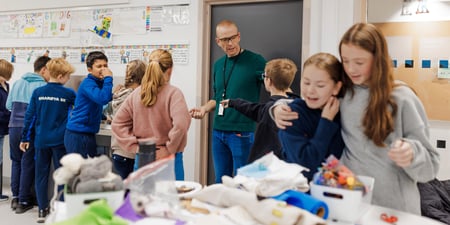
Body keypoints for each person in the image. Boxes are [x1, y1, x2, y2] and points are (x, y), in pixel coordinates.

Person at [272, 23, 439, 214]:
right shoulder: (344, 93)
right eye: (345, 61)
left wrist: (412, 153)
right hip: (349, 204)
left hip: (393, 208)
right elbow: (310, 100)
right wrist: (277, 108)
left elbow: (431, 167)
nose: (351, 69)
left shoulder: (402, 98)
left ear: (378, 59)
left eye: (359, 62)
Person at [189, 20, 266, 183]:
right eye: (224, 40)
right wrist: (204, 108)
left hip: (242, 132)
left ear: (238, 37)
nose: (229, 43)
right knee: (221, 180)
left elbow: (273, 84)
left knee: (243, 182)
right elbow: (217, 98)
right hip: (218, 132)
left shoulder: (256, 61)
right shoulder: (218, 65)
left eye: (232, 38)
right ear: (218, 41)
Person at [112, 49, 191, 180]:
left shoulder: (136, 94)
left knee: (143, 198)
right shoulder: (174, 94)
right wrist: (169, 148)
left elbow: (117, 124)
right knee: (170, 199)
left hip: (143, 156)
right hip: (169, 157)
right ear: (170, 70)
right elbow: (181, 125)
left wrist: (136, 147)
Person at [19, 58, 76, 223]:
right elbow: (80, 109)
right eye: (67, 76)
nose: (67, 80)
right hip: (60, 141)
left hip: (40, 140)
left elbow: (30, 116)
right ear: (60, 76)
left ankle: (42, 210)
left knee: (41, 175)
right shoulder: (69, 93)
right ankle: (60, 209)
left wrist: (25, 138)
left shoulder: (38, 93)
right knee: (61, 175)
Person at [277, 53, 345, 181]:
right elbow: (305, 166)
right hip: (299, 195)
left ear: (336, 87)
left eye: (320, 85)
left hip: (335, 192)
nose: (310, 90)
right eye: (306, 82)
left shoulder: (343, 112)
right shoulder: (291, 114)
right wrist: (326, 122)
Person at [220, 58, 297, 163]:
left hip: (271, 166)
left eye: (264, 76)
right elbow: (255, 110)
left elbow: (263, 146)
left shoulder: (271, 109)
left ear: (268, 81)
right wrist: (233, 102)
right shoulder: (294, 104)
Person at [6, 55, 51, 213]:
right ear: (44, 69)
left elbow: (8, 105)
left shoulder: (18, 82)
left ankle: (15, 197)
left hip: (13, 127)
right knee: (27, 163)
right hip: (29, 130)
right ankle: (24, 200)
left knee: (16, 162)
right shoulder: (42, 86)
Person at [64, 51, 113, 158]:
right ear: (89, 69)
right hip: (78, 134)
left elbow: (92, 105)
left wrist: (104, 117)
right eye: (99, 66)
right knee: (79, 171)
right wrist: (109, 78)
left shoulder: (98, 83)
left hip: (86, 133)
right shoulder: (88, 83)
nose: (103, 69)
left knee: (87, 171)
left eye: (105, 65)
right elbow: (102, 99)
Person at [106, 59, 146, 179]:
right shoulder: (136, 96)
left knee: (125, 191)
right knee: (131, 193)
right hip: (129, 153)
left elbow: (109, 113)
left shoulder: (121, 92)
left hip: (118, 151)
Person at [0, 59, 14, 202]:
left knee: (0, 160)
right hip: (2, 123)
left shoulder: (6, 85)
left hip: (4, 127)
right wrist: (9, 114)